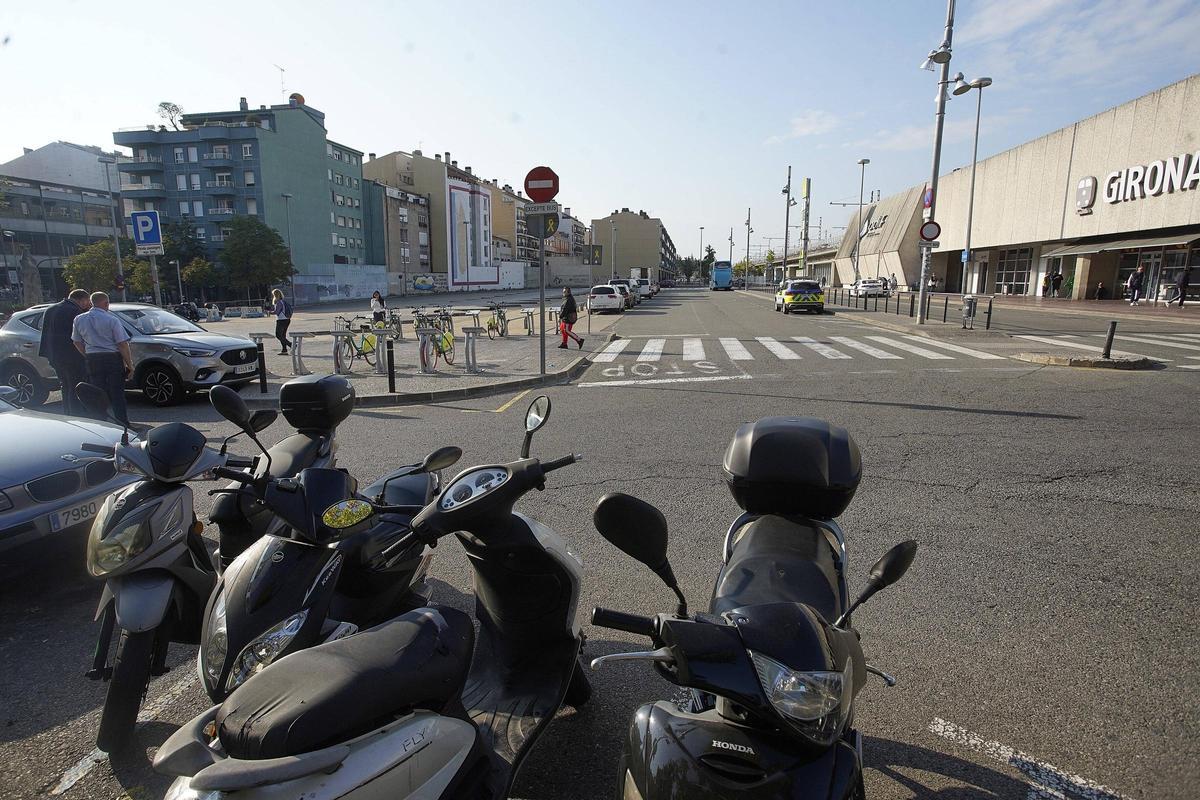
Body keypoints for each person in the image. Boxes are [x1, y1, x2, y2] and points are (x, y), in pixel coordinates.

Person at [71, 292, 133, 426]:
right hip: (112, 358)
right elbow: (122, 344)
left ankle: (101, 423)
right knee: (117, 393)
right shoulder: (112, 320)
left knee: (97, 392)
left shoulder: (79, 319)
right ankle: (122, 423)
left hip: (93, 358)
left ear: (92, 303)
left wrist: (87, 354)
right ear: (105, 303)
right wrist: (129, 364)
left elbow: (76, 341)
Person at [38, 289, 91, 415]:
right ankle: (76, 414)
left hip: (53, 355)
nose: (88, 304)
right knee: (76, 385)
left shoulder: (50, 309)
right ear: (81, 300)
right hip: (72, 356)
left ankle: (67, 412)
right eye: (87, 301)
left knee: (65, 384)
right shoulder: (75, 311)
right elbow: (79, 336)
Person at [271, 289, 292, 354]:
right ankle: (284, 350)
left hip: (281, 320)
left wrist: (269, 312)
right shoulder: (283, 301)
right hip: (287, 319)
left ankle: (291, 345)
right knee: (283, 336)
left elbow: (277, 312)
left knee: (278, 335)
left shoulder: (279, 302)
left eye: (273, 295)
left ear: (275, 295)